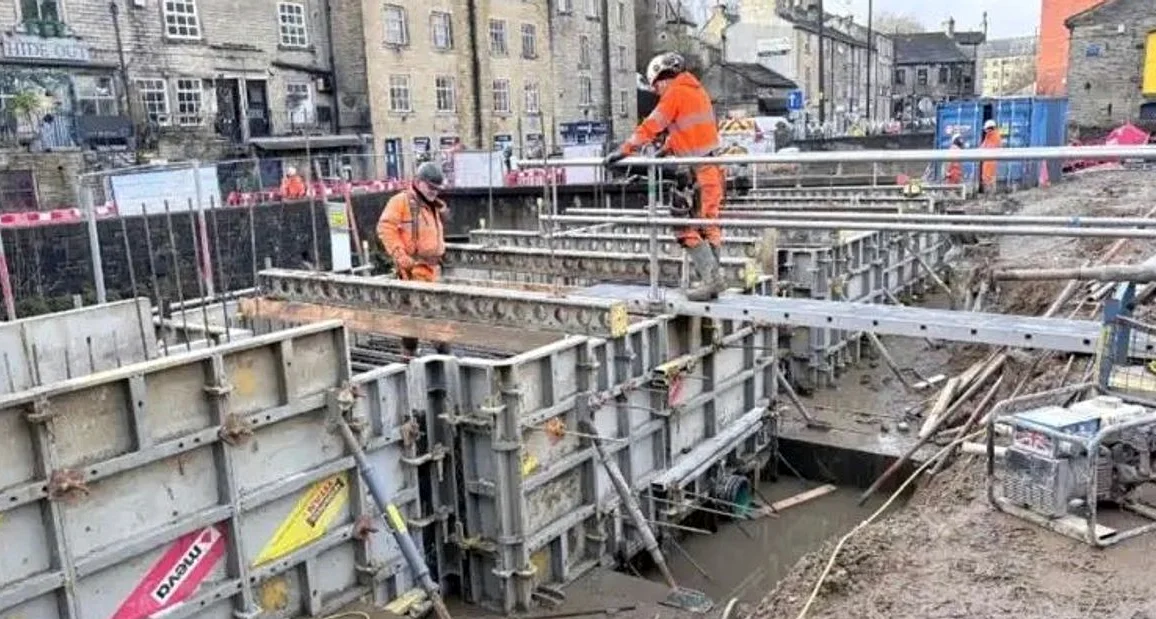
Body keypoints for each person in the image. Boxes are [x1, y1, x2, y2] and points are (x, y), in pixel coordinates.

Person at [603, 51, 725, 302]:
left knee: (683, 226)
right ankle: (713, 279)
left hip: (697, 172)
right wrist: (664, 150)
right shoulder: (695, 90)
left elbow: (652, 125)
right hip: (711, 167)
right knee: (708, 225)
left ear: (663, 78)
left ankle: (712, 280)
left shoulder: (675, 93)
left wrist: (624, 150)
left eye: (656, 86)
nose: (657, 92)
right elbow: (687, 130)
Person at [377, 161, 451, 358]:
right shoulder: (401, 202)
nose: (434, 192)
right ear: (418, 182)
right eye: (431, 187)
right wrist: (400, 255)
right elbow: (386, 228)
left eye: (437, 189)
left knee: (419, 317)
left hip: (432, 270)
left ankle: (415, 355)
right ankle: (432, 356)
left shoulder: (431, 206)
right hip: (413, 271)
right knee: (424, 318)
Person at [980, 120, 1002, 194]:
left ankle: (990, 194)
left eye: (987, 129)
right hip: (989, 160)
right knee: (989, 178)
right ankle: (990, 194)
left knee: (988, 178)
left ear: (990, 128)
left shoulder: (992, 136)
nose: (986, 131)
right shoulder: (993, 135)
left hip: (990, 161)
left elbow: (985, 147)